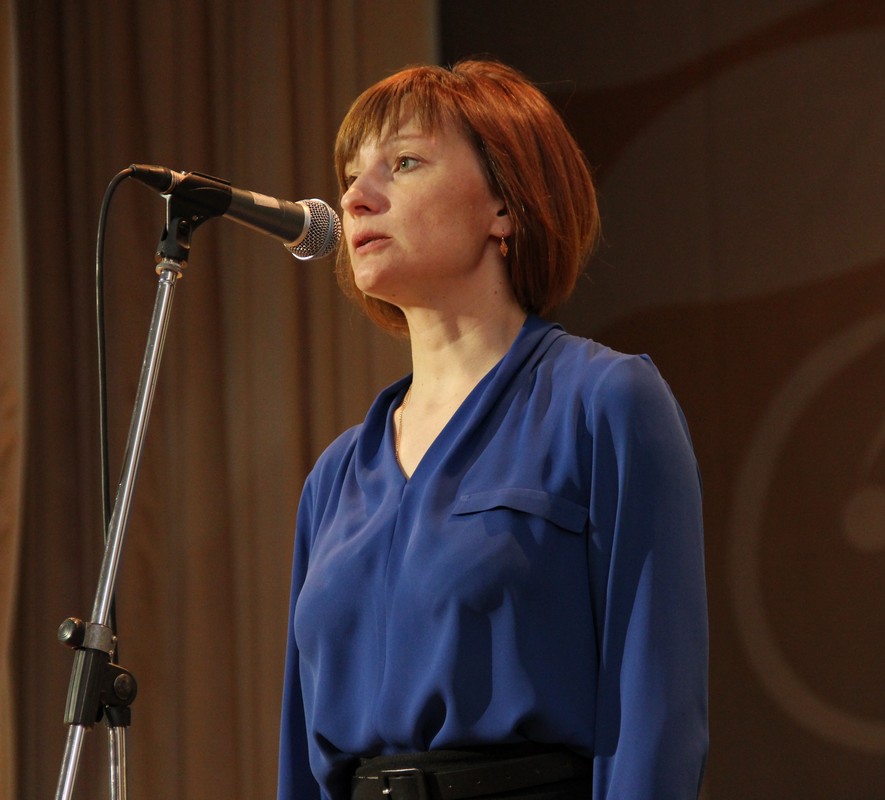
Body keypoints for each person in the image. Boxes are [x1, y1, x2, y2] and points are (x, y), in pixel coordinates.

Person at [278, 59, 708, 800]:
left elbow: (655, 712)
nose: (353, 197)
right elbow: (301, 756)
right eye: (349, 175)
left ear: (504, 204)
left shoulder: (603, 402)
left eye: (403, 163)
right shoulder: (335, 478)